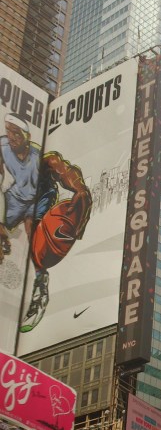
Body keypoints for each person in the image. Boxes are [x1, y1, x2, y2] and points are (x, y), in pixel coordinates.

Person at [20, 150, 92, 332]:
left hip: (38, 199)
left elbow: (59, 166)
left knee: (29, 223)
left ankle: (40, 283)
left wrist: (79, 189)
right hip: (15, 200)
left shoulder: (38, 159)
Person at [0, 115, 41, 260]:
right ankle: (4, 242)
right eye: (8, 131)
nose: (11, 136)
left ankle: (39, 267)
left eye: (16, 133)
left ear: (27, 136)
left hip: (34, 199)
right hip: (15, 197)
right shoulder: (3, 145)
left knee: (32, 227)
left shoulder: (38, 155)